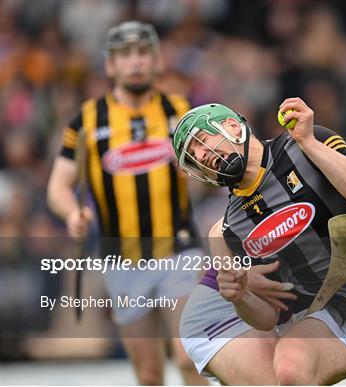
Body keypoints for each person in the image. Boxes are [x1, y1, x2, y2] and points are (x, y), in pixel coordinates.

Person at [175, 98, 346, 385]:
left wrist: (308, 140)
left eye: (202, 142)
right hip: (327, 317)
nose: (201, 155)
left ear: (232, 127)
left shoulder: (305, 141)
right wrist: (241, 296)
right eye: (193, 156)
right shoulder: (234, 224)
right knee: (289, 371)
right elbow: (268, 318)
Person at [47, 21, 207, 385]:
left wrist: (197, 174)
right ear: (110, 66)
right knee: (149, 374)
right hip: (122, 261)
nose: (135, 62)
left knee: (188, 357)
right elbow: (59, 185)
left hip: (178, 251)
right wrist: (72, 213)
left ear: (157, 62)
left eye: (143, 53)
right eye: (125, 55)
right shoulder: (87, 121)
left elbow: (208, 170)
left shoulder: (179, 110)